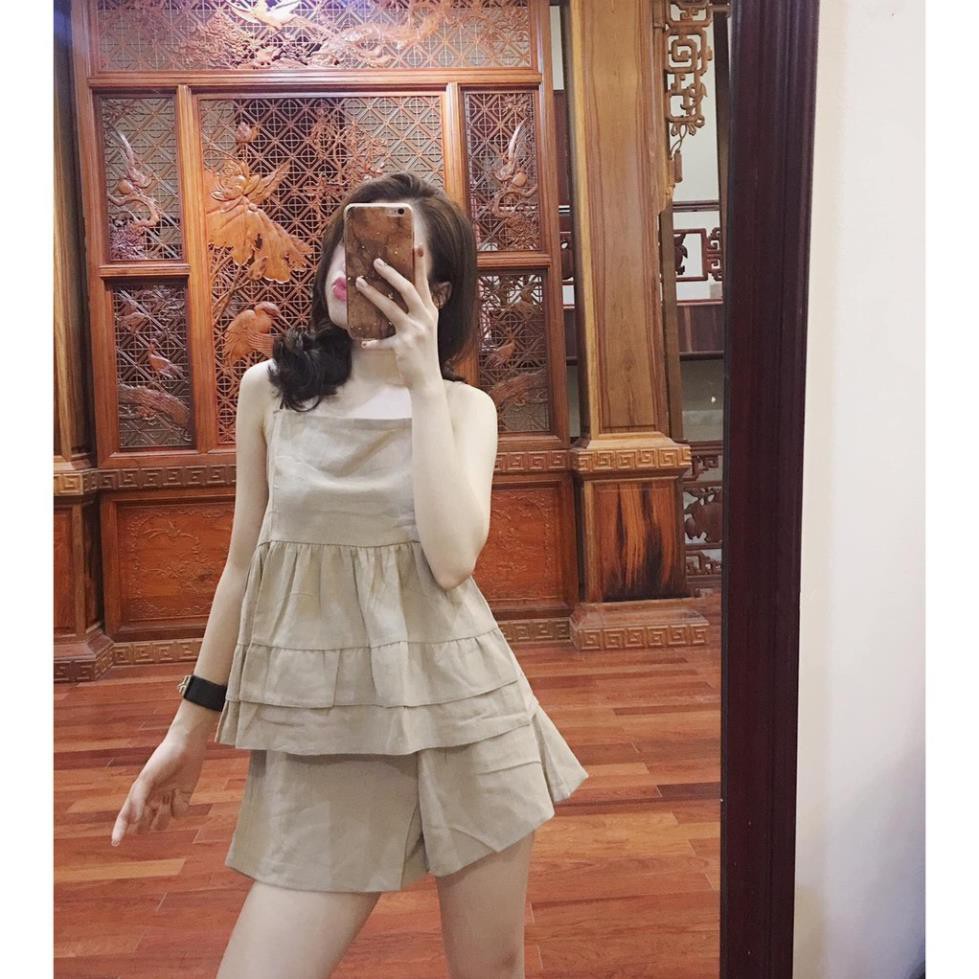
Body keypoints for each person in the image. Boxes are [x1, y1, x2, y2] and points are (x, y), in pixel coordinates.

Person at [109, 171, 588, 979]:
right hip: (324, 726)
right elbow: (241, 568)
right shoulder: (270, 394)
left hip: (466, 714)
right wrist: (187, 730)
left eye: (390, 256)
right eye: (349, 244)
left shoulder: (465, 410)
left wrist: (424, 385)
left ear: (436, 290)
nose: (354, 268)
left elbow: (452, 558)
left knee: (491, 967)